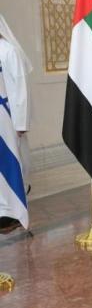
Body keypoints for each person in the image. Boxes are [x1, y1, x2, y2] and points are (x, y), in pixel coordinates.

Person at [0, 14, 31, 233]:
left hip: (6, 118)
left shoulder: (9, 51)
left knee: (11, 164)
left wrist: (20, 123)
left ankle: (15, 212)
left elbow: (21, 88)